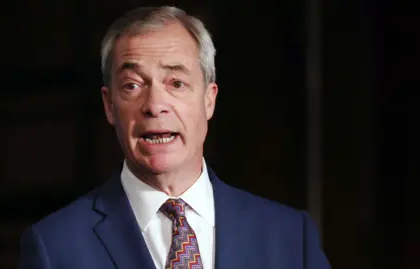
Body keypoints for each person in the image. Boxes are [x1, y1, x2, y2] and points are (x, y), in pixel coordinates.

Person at [18, 6, 330, 269]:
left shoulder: (290, 237)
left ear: (209, 100)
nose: (154, 105)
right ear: (109, 105)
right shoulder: (55, 248)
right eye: (132, 86)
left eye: (176, 83)